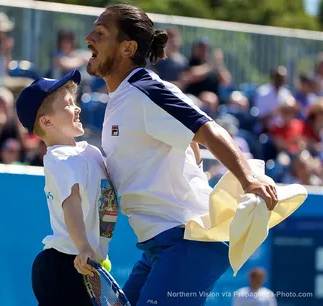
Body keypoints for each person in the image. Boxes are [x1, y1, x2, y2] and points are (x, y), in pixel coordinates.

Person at [85, 4, 278, 306]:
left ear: (128, 47)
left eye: (100, 32)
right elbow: (188, 141)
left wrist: (249, 179)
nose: (89, 38)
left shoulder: (146, 90)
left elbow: (208, 129)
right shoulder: (122, 98)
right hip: (162, 244)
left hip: (185, 240)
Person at [15, 69, 119, 306]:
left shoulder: (90, 152)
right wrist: (84, 247)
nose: (78, 108)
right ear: (47, 121)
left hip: (85, 264)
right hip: (62, 266)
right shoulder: (58, 159)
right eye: (69, 104)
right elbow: (70, 203)